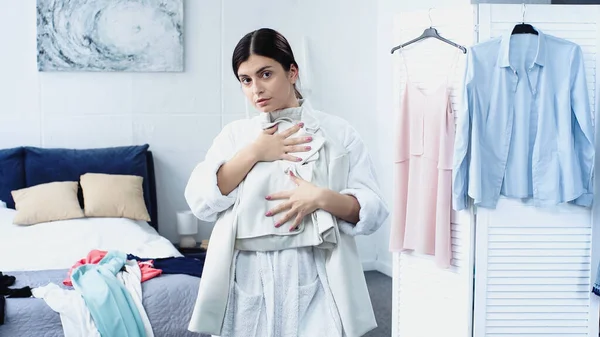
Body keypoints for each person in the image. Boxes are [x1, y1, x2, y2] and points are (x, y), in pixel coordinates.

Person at [184, 28, 389, 337]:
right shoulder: (236, 136)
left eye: (266, 74)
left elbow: (372, 211)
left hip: (317, 270)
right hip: (248, 275)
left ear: (292, 71)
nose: (256, 89)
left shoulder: (338, 132)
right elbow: (201, 200)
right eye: (246, 80)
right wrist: (254, 152)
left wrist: (322, 198)